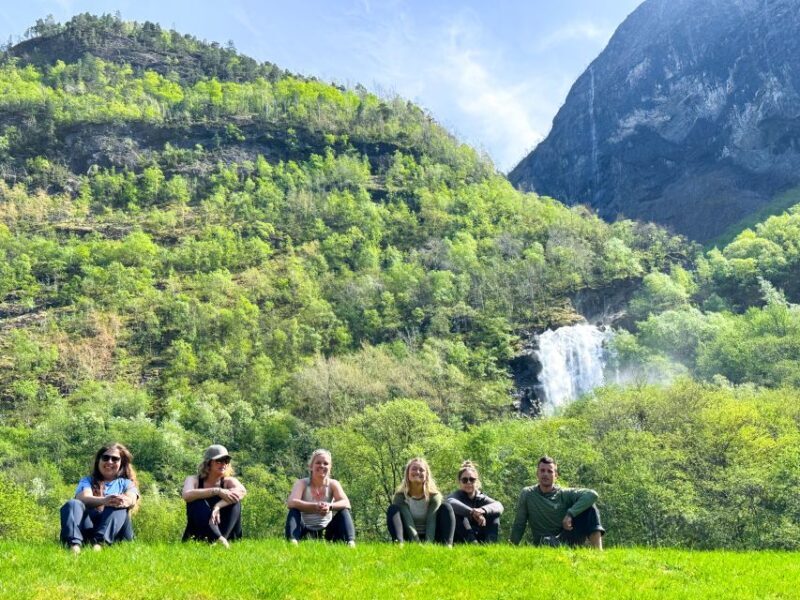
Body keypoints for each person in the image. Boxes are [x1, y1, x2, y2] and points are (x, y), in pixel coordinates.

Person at [59, 442, 139, 553]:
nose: (109, 462)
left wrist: (122, 501)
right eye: (105, 458)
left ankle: (98, 546)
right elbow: (83, 498)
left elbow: (132, 499)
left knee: (118, 503)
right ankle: (74, 546)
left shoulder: (127, 483)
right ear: (99, 461)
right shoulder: (87, 481)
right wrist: (105, 501)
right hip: (91, 528)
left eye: (115, 459)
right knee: (73, 504)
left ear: (121, 463)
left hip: (117, 533)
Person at [510, 455, 604, 549]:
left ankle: (598, 553)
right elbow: (519, 523)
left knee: (590, 507)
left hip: (565, 538)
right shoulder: (527, 494)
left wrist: (570, 514)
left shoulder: (564, 494)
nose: (545, 474)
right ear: (537, 473)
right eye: (542, 470)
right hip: (544, 542)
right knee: (546, 541)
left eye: (550, 471)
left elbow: (592, 495)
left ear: (556, 476)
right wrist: (512, 546)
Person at [285, 449, 356, 546]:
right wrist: (315, 506)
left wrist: (329, 506)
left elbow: (346, 503)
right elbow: (291, 502)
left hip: (327, 531)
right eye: (318, 463)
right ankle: (293, 542)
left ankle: (350, 543)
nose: (322, 466)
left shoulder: (333, 484)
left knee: (344, 511)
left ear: (330, 467)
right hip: (305, 529)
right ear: (311, 466)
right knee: (294, 511)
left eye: (326, 463)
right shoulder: (302, 483)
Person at [181, 444, 246, 547]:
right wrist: (217, 491)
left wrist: (217, 506)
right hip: (201, 532)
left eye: (226, 461)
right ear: (208, 463)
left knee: (234, 501)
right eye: (219, 461)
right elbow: (186, 495)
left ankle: (221, 540)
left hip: (226, 531)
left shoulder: (229, 481)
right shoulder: (193, 480)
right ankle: (218, 539)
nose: (223, 464)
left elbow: (241, 492)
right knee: (196, 501)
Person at [387, 457, 455, 546]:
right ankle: (399, 544)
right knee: (393, 509)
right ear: (407, 473)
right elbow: (408, 523)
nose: (417, 472)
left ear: (426, 475)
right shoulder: (400, 497)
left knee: (446, 507)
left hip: (432, 535)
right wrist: (417, 545)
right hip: (408, 536)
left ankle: (448, 546)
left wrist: (428, 546)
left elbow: (431, 522)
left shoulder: (434, 496)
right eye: (414, 469)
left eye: (421, 470)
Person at [446, 460, 504, 544]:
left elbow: (499, 506)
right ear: (459, 482)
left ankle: (490, 543)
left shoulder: (481, 498)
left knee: (494, 513)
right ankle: (472, 542)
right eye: (465, 480)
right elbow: (450, 502)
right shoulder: (456, 496)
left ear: (476, 481)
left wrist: (483, 510)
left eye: (472, 480)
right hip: (462, 538)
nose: (468, 482)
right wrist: (472, 512)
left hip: (480, 534)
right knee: (455, 512)